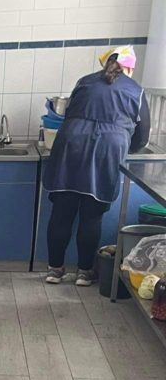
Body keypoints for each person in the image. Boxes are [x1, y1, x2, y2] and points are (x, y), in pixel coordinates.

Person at [42, 45, 150, 285]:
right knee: (92, 217)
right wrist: (127, 147)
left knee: (61, 213)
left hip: (71, 146)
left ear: (106, 63)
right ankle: (84, 272)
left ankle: (54, 270)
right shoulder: (136, 90)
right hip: (107, 152)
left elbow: (69, 112)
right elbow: (142, 136)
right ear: (130, 68)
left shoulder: (85, 82)